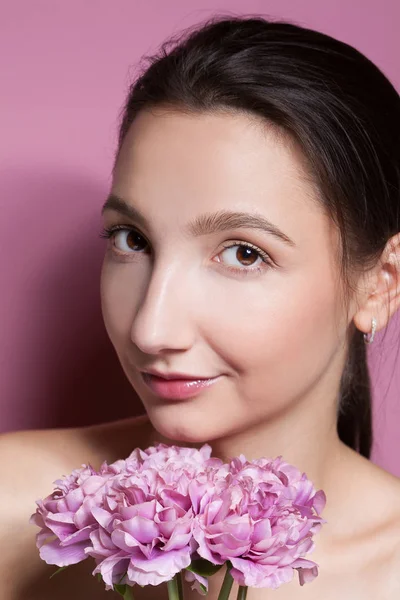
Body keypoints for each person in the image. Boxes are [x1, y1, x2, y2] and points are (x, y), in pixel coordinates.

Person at [1, 14, 400, 600]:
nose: (150, 328)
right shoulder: (16, 510)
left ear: (379, 285)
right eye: (130, 240)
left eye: (243, 254)